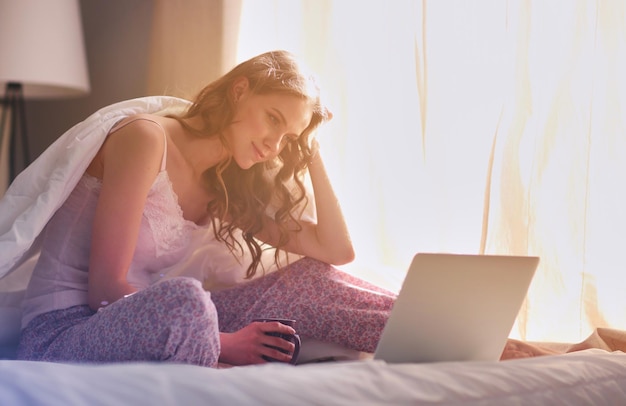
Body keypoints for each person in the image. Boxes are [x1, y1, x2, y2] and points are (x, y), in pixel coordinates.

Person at [14, 50, 397, 367]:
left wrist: (310, 149)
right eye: (272, 119)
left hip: (160, 321)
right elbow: (105, 289)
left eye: (288, 138)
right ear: (240, 90)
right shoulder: (145, 139)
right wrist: (225, 343)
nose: (273, 145)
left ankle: (424, 333)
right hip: (66, 329)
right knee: (188, 301)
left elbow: (335, 250)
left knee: (307, 279)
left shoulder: (222, 184)